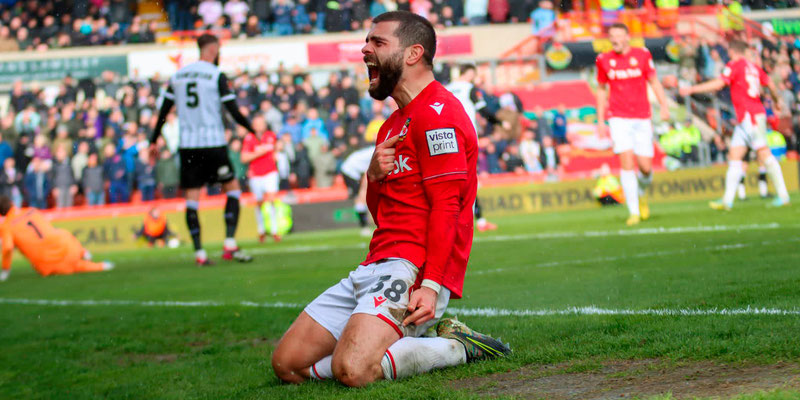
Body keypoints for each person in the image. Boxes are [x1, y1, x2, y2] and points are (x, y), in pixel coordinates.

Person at [271, 11, 510, 388]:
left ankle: (456, 347)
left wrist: (431, 285)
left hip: (412, 267)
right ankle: (373, 348)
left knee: (352, 370)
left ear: (414, 53)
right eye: (367, 41)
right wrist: (374, 177)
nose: (365, 49)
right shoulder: (393, 122)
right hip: (375, 263)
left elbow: (448, 207)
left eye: (377, 42)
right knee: (287, 365)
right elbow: (382, 214)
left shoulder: (439, 114)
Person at [151, 33, 255, 266]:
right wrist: (251, 129)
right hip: (214, 143)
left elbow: (163, 112)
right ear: (214, 49)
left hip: (188, 147)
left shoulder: (177, 75)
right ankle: (229, 243)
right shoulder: (216, 75)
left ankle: (199, 253)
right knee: (233, 190)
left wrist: (153, 140)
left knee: (192, 199)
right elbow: (233, 110)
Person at [679, 40, 790, 209]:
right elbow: (771, 85)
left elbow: (719, 83)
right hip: (748, 116)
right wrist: (777, 102)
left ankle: (783, 195)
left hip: (749, 115)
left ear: (732, 51)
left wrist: (692, 90)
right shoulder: (753, 67)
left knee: (764, 153)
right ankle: (727, 201)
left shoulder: (735, 65)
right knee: (735, 156)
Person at [595, 22, 670, 226]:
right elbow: (601, 90)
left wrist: (664, 106)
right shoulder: (603, 60)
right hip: (618, 118)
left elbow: (654, 81)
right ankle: (634, 211)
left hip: (642, 117)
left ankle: (642, 193)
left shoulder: (643, 55)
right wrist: (601, 120)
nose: (615, 40)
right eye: (611, 36)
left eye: (618, 35)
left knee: (645, 168)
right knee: (626, 162)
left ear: (627, 37)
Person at [446, 64, 506, 232]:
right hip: (466, 136)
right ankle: (474, 221)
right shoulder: (470, 88)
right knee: (469, 179)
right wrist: (499, 122)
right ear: (469, 73)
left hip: (448, 137)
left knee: (454, 179)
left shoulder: (447, 89)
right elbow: (483, 109)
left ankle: (460, 219)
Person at [0, 195, 113, 282]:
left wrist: (5, 269)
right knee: (61, 232)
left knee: (72, 266)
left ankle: (100, 266)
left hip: (47, 263)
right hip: (67, 247)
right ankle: (85, 253)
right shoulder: (32, 210)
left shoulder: (7, 226)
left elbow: (8, 248)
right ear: (12, 203)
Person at [240, 115, 281, 243]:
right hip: (256, 174)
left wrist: (277, 151)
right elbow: (244, 158)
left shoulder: (271, 135)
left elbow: (277, 148)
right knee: (259, 203)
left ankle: (274, 230)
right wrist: (261, 151)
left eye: (262, 122)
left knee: (271, 200)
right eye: (258, 123)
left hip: (270, 172)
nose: (260, 125)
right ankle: (261, 230)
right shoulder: (249, 138)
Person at [340, 146, 375, 236]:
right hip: (350, 171)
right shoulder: (376, 153)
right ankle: (364, 227)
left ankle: (364, 225)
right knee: (360, 197)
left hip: (351, 170)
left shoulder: (374, 150)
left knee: (361, 196)